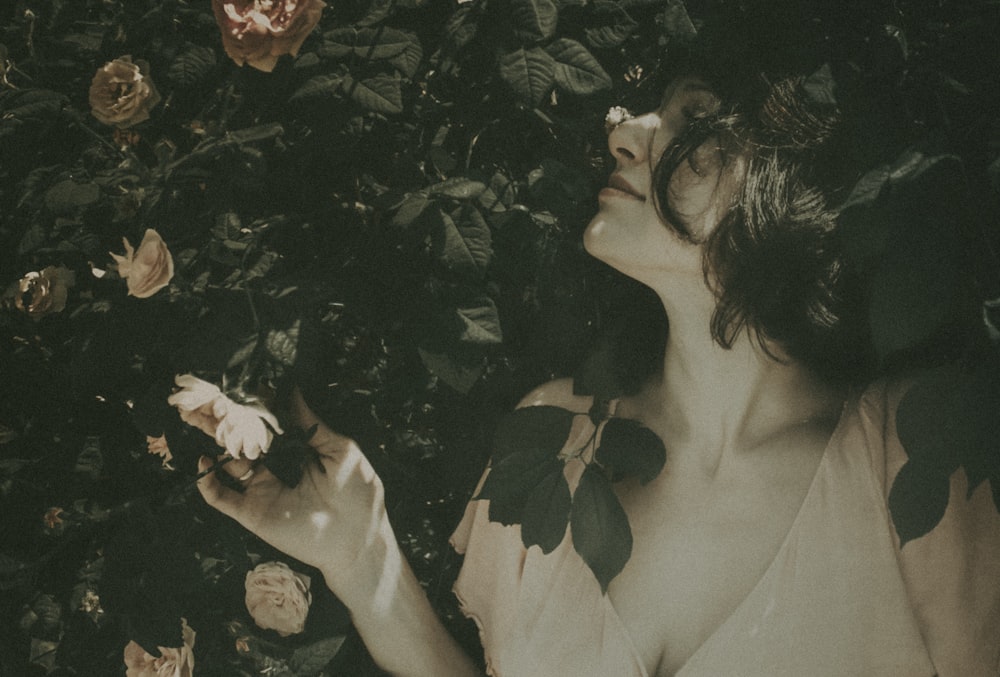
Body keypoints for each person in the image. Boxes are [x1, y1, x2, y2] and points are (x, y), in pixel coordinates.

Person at [195, 17, 1000, 677]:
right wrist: (363, 560)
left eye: (694, 118)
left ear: (792, 183)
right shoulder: (553, 435)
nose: (623, 129)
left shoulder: (911, 455)